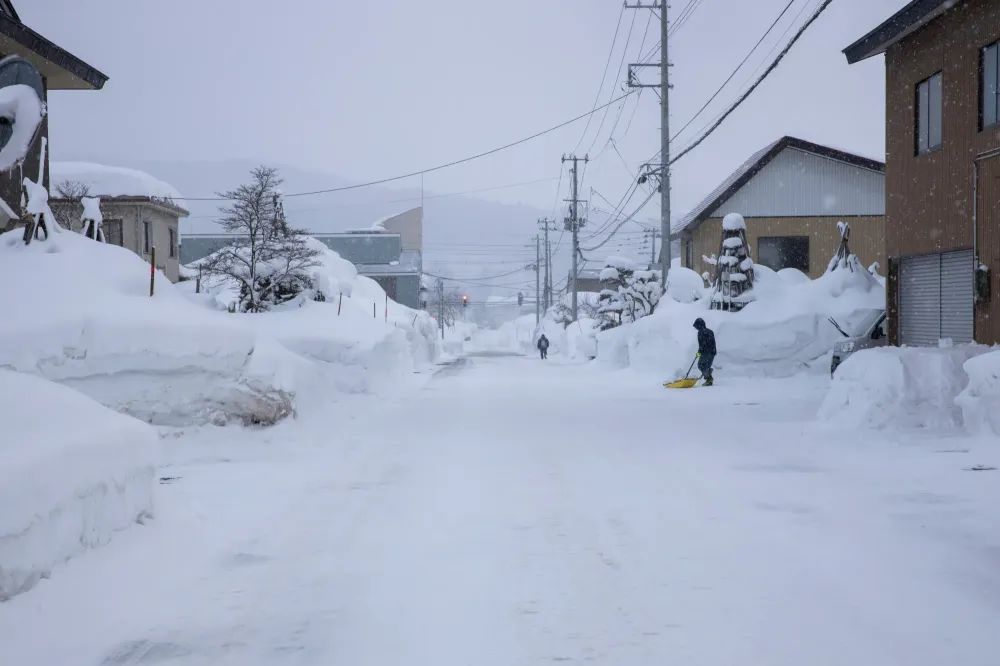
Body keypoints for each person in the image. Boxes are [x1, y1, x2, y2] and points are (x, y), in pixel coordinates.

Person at [693, 318, 716, 386]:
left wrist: (699, 353)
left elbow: (702, 344)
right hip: (713, 352)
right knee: (706, 366)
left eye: (696, 327)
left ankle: (709, 378)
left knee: (701, 365)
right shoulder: (710, 331)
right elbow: (711, 342)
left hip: (706, 352)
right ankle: (709, 374)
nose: (696, 328)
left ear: (699, 325)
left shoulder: (700, 332)